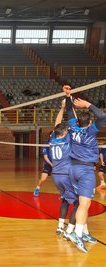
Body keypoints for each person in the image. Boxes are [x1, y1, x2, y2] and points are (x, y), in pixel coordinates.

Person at [64, 85, 106, 253]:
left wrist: (68, 96)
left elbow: (69, 111)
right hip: (85, 171)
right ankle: (78, 234)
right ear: (89, 122)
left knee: (83, 204)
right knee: (84, 204)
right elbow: (102, 115)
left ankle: (85, 232)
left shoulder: (73, 127)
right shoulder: (90, 130)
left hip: (72, 169)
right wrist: (86, 104)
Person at [49, 100, 78, 238]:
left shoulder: (53, 140)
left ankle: (60, 227)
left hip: (55, 175)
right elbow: (75, 124)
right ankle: (70, 231)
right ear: (65, 132)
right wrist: (70, 106)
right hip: (66, 175)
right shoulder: (68, 140)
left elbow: (56, 125)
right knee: (79, 204)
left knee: (65, 200)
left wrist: (61, 108)